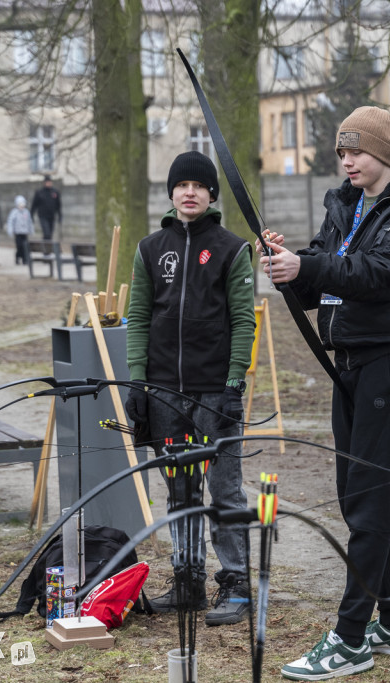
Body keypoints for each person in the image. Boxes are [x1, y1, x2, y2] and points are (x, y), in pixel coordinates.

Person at [258, 106, 390, 680]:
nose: (347, 161)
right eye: (342, 152)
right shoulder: (345, 205)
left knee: (368, 502)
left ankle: (350, 638)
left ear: (383, 152)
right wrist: (288, 268)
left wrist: (312, 266)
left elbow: (381, 275)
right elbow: (322, 280)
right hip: (350, 365)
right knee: (359, 497)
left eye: (357, 150)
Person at [125, 151, 256, 626]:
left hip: (214, 392)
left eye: (199, 186)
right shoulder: (149, 249)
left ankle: (236, 583)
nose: (190, 192)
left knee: (225, 490)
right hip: (164, 392)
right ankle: (187, 581)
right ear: (171, 193)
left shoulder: (231, 249)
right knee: (180, 491)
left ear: (212, 194)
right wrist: (138, 382)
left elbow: (243, 321)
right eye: (182, 185)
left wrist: (234, 382)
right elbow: (138, 317)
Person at [5, 195, 34, 266]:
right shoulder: (14, 212)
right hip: (18, 233)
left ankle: (25, 259)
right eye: (20, 204)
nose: (21, 205)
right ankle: (18, 256)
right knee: (19, 246)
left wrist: (31, 230)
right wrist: (10, 230)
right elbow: (10, 222)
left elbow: (29, 222)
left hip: (25, 232)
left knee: (25, 246)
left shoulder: (26, 212)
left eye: (23, 204)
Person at [30, 174, 62, 240]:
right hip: (43, 216)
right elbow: (34, 205)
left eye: (50, 182)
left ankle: (46, 245)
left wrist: (60, 215)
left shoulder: (55, 192)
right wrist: (31, 215)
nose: (49, 183)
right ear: (44, 183)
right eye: (47, 182)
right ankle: (46, 244)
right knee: (46, 233)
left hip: (52, 216)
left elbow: (58, 205)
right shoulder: (39, 192)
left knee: (50, 234)